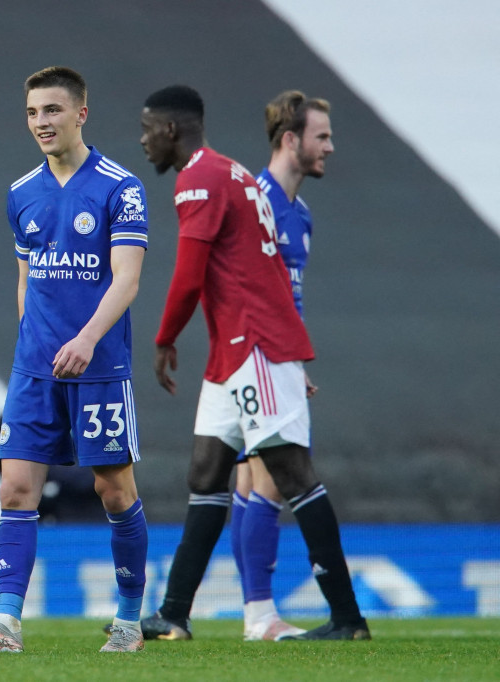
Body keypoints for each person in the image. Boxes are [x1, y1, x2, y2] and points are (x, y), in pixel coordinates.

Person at [135, 84, 369, 641]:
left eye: (147, 129)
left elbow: (189, 274)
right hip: (233, 350)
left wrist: (165, 337)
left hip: (255, 344)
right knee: (207, 474)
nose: (142, 141)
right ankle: (174, 614)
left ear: (172, 130)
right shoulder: (232, 172)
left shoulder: (200, 177)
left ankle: (346, 618)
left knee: (291, 474)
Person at [0, 66, 150, 654]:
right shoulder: (21, 192)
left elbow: (127, 280)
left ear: (80, 113)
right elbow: (26, 279)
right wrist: (34, 339)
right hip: (36, 369)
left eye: (52, 111)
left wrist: (84, 339)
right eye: (32, 113)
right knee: (14, 489)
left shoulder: (119, 187)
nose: (41, 123)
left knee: (113, 490)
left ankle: (130, 620)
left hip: (100, 366)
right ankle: (5, 621)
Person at [229, 90, 335, 641]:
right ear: (290, 140)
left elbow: (287, 295)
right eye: (322, 136)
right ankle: (259, 615)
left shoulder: (302, 214)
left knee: (250, 481)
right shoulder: (255, 200)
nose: (330, 147)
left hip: (279, 354)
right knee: (270, 482)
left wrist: (296, 357)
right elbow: (238, 288)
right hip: (256, 355)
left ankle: (253, 613)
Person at [0, 417, 98, 523]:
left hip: (94, 514)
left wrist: (37, 463)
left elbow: (87, 477)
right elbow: (10, 479)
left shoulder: (98, 414)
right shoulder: (5, 426)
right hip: (40, 519)